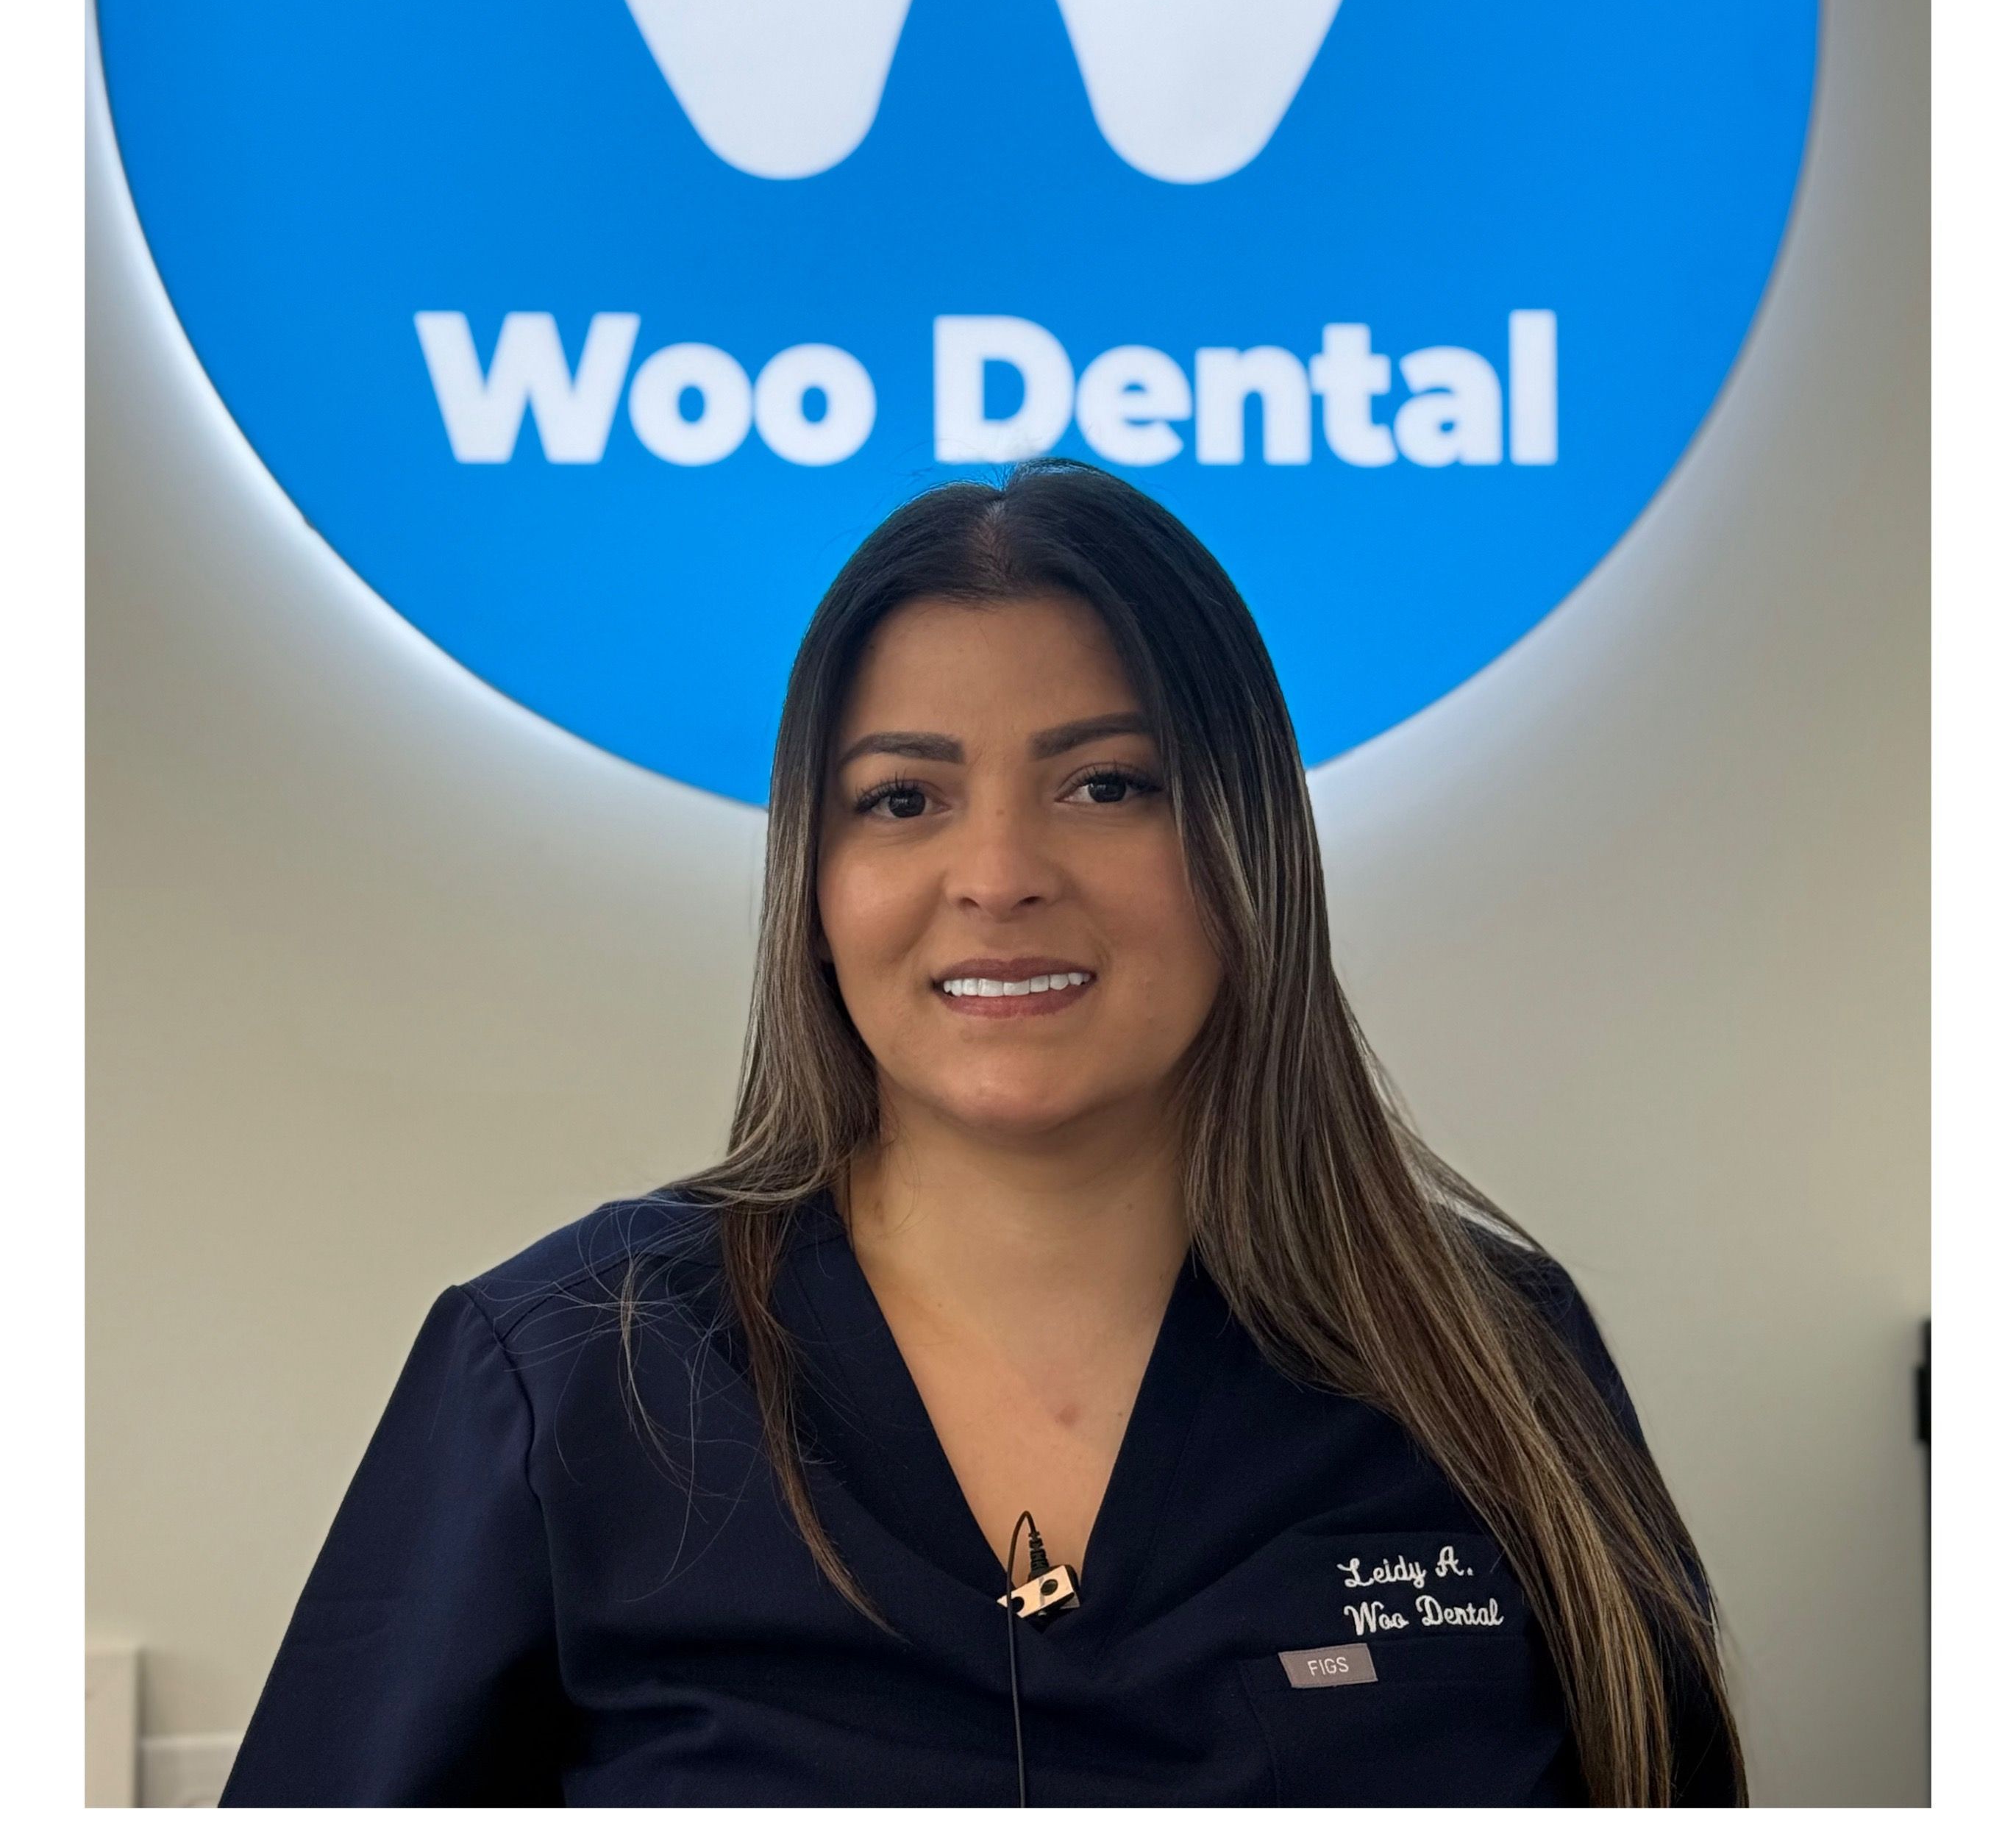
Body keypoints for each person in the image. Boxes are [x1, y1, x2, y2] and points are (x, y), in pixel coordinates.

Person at [221, 460, 1745, 1808]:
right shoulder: (567, 1379)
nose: (1001, 872)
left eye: (1107, 784)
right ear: (814, 887)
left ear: (1246, 850)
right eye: (903, 800)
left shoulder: (1490, 1361)